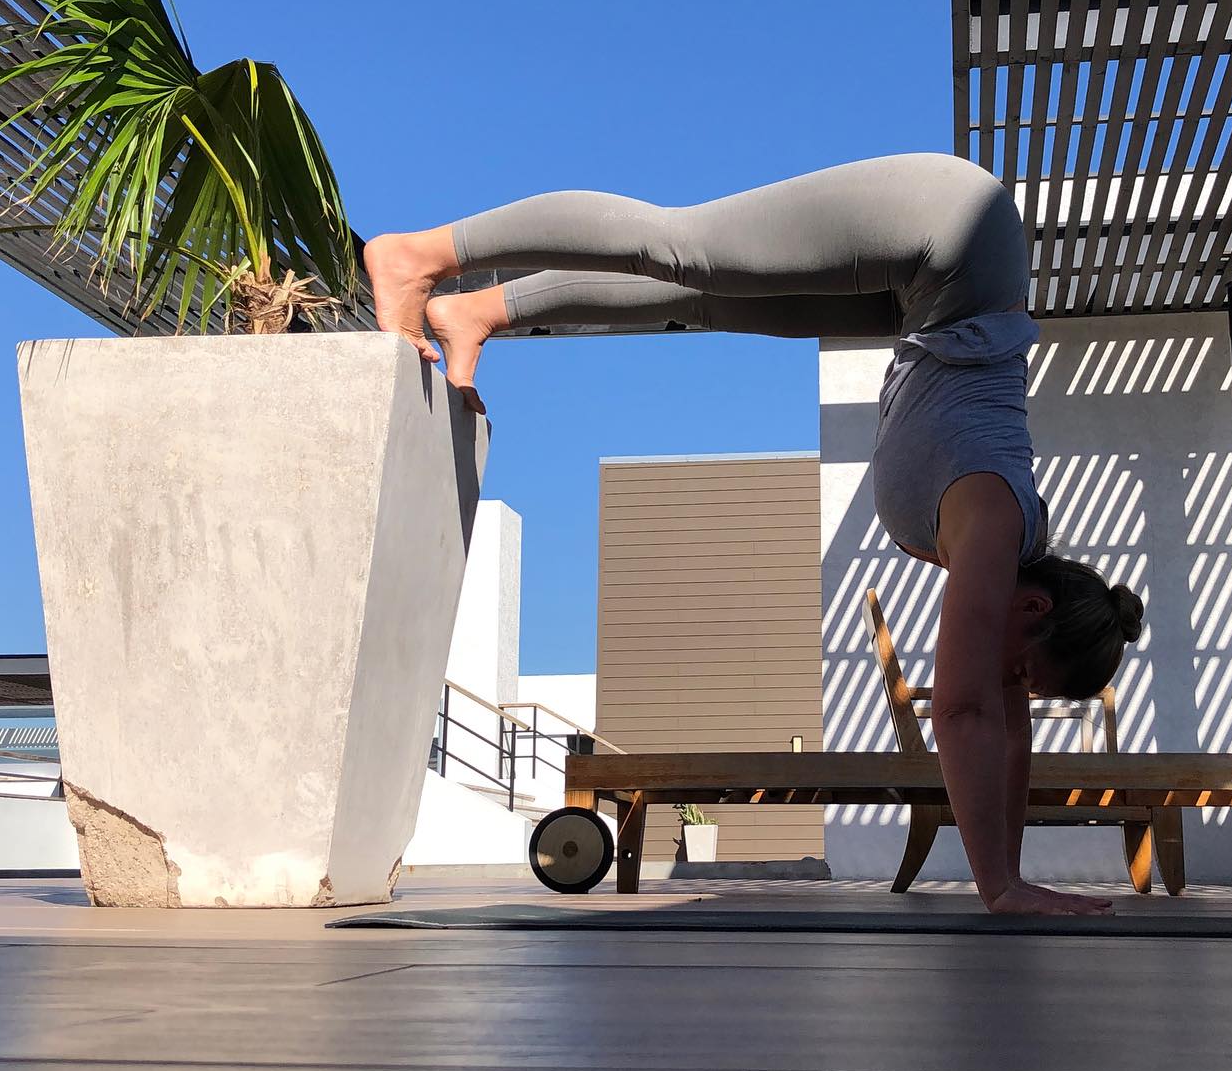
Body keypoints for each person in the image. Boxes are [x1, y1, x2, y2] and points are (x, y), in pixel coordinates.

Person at [365, 150, 1143, 917]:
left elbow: (1005, 738)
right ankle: (420, 255)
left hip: (933, 293)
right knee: (682, 246)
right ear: (1035, 613)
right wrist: (1000, 887)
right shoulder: (993, 527)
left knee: (703, 298)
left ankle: (478, 311)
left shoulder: (997, 551)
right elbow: (968, 713)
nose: (1012, 690)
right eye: (1026, 676)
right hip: (956, 232)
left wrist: (1009, 878)